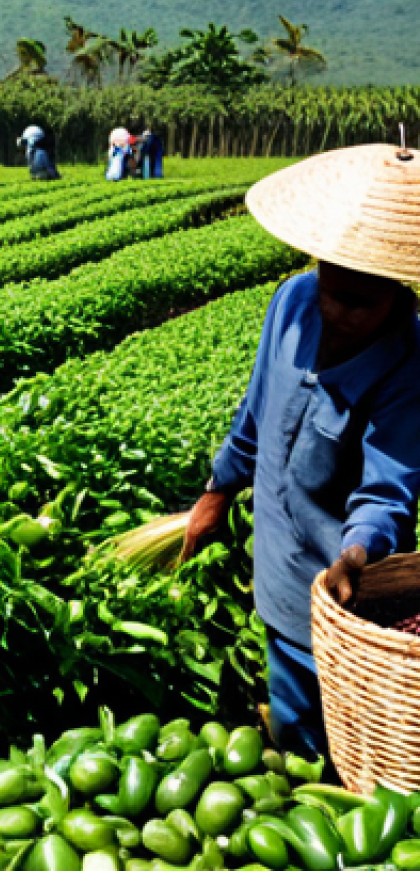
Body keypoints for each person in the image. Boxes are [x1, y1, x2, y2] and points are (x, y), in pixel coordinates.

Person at [181, 144, 420, 760]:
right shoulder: (291, 303)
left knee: (351, 739)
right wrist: (218, 490)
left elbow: (386, 488)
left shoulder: (408, 366)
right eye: (330, 292)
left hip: (339, 589)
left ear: (396, 291)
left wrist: (355, 555)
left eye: (360, 303)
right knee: (291, 723)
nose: (337, 313)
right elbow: (256, 414)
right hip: (277, 568)